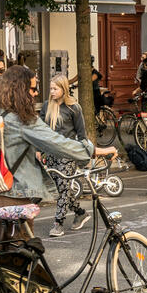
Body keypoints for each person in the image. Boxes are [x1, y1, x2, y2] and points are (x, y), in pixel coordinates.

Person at [0, 66, 117, 249]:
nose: (36, 93)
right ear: (20, 89)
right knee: (20, 268)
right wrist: (93, 150)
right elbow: (57, 143)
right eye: (32, 88)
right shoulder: (21, 119)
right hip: (10, 203)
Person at [40, 75, 92, 237]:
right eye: (51, 88)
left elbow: (82, 134)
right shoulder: (47, 106)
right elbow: (40, 130)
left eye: (55, 89)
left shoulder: (74, 108)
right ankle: (81, 212)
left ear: (64, 89)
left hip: (67, 154)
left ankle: (58, 224)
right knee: (62, 189)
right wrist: (39, 149)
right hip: (51, 154)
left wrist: (85, 155)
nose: (52, 92)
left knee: (64, 189)